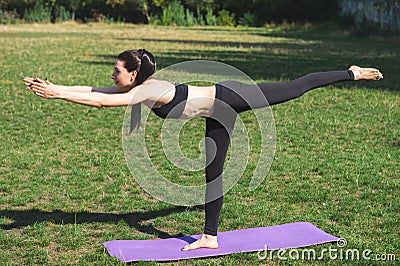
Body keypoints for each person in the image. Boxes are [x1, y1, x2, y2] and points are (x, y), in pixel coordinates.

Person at [23, 49, 383, 252]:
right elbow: (94, 90)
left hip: (228, 97)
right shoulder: (139, 86)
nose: (112, 74)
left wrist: (57, 95)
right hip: (216, 114)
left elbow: (101, 103)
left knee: (293, 87)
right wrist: (58, 87)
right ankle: (210, 236)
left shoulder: (147, 90)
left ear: (133, 75)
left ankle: (350, 72)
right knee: (214, 174)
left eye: (116, 70)